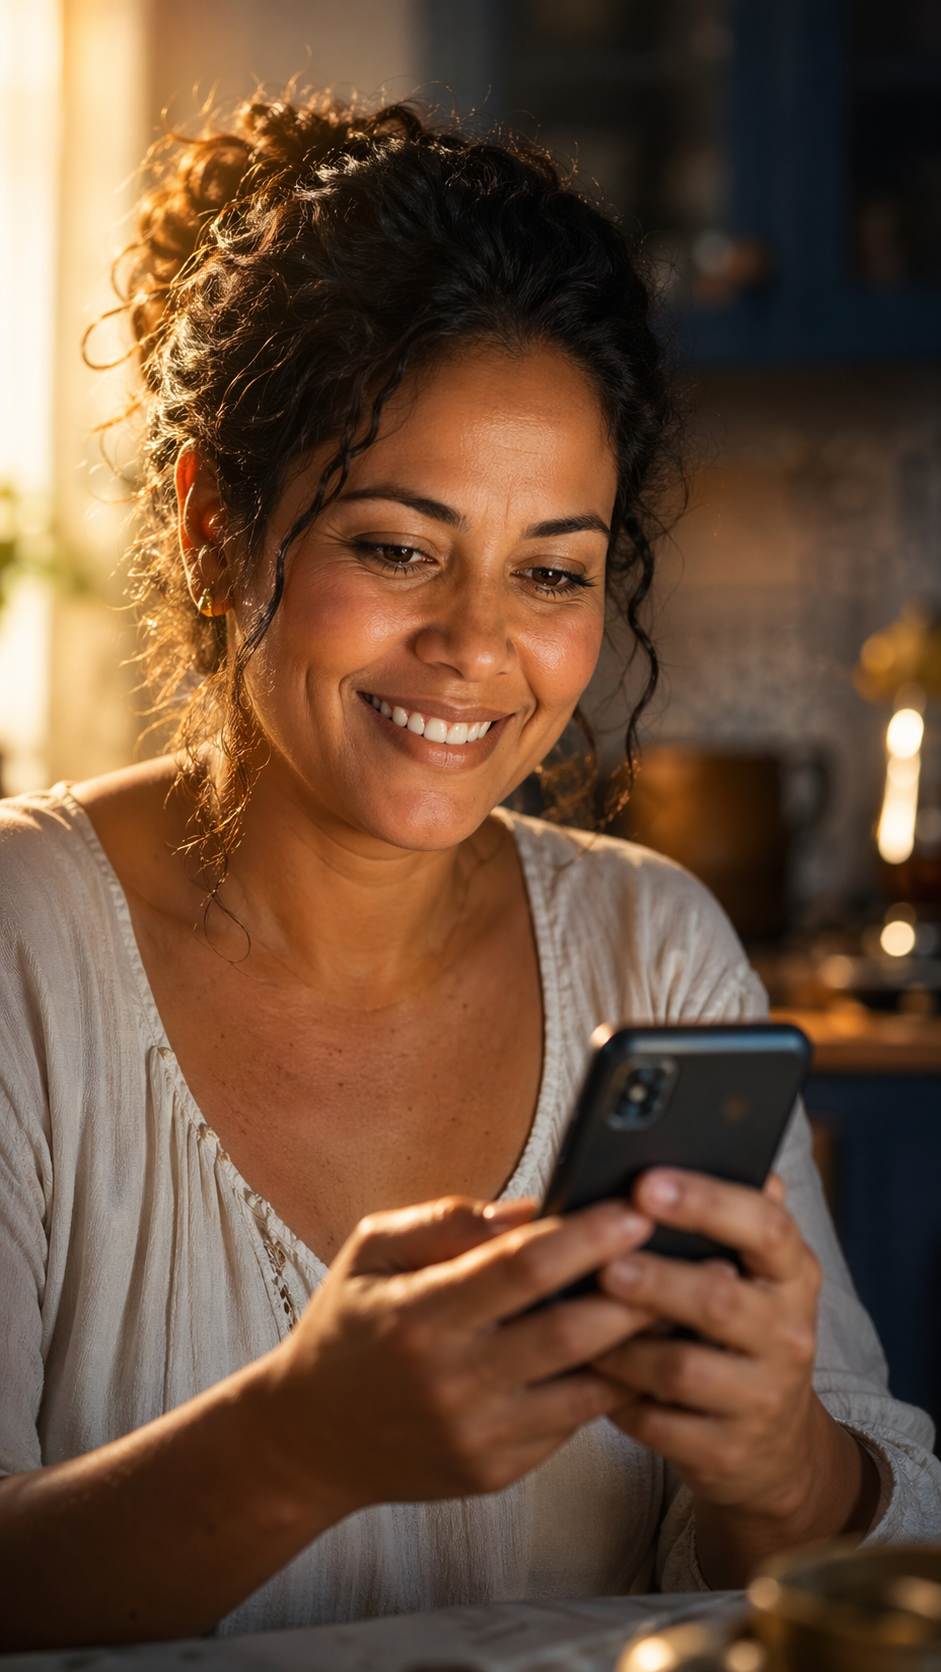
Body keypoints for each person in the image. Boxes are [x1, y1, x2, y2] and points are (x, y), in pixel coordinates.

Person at [0, 94, 938, 1653]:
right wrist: (297, 1447)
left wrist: (778, 1460)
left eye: (553, 571)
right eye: (395, 545)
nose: (480, 647)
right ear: (220, 523)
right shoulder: (25, 947)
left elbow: (858, 1552)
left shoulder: (655, 945)